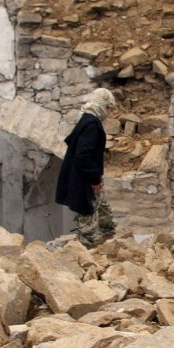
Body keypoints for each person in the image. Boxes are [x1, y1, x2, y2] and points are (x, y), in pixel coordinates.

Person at [56, 88, 117, 245]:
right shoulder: (91, 124)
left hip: (86, 176)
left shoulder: (87, 120)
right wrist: (94, 179)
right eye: (110, 109)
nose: (110, 114)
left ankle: (108, 240)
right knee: (87, 215)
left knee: (102, 209)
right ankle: (83, 251)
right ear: (105, 107)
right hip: (84, 179)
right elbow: (83, 155)